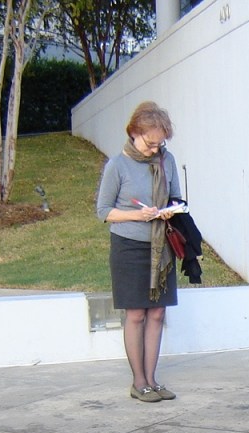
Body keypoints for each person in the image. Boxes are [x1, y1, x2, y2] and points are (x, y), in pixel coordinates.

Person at [96, 101, 182, 402]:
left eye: (160, 144)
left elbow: (177, 199)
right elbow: (104, 211)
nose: (154, 149)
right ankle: (139, 382)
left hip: (161, 248)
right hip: (129, 247)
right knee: (136, 314)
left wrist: (170, 210)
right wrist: (138, 215)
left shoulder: (167, 161)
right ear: (134, 132)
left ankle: (153, 380)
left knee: (157, 313)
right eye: (150, 143)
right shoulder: (117, 166)